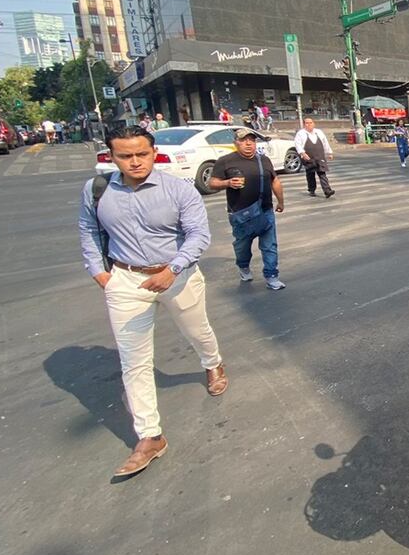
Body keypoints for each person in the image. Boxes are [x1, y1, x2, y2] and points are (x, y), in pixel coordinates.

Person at [78, 126, 227, 477]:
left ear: (153, 152)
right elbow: (88, 230)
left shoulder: (178, 189)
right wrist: (98, 271)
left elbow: (198, 235)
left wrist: (172, 269)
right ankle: (150, 436)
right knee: (134, 361)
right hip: (125, 280)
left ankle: (213, 363)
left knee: (197, 331)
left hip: (178, 275)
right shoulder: (97, 190)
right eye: (125, 156)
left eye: (141, 154)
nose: (135, 162)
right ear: (112, 157)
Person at [208, 127, 286, 289]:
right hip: (241, 213)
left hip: (265, 210)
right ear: (236, 143)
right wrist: (227, 183)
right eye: (244, 140)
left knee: (270, 246)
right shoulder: (226, 161)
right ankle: (243, 265)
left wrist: (281, 202)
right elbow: (212, 183)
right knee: (242, 246)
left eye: (252, 140)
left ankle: (272, 276)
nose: (248, 143)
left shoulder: (264, 160)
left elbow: (275, 181)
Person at [294, 118, 335, 198]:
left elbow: (325, 143)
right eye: (307, 123)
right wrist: (303, 153)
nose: (309, 124)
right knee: (310, 174)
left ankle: (327, 191)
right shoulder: (301, 133)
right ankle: (311, 190)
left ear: (314, 123)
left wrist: (329, 153)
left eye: (310, 122)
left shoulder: (319, 132)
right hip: (308, 157)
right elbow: (297, 144)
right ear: (304, 124)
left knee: (322, 173)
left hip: (320, 156)